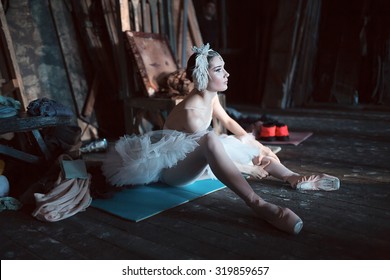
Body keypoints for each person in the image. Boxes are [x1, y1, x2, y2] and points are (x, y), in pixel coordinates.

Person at [102, 44, 340, 235]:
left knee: (239, 143)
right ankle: (258, 204)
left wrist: (259, 146)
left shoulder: (211, 97)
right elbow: (209, 155)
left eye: (224, 68)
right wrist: (246, 168)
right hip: (175, 170)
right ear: (203, 76)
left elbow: (229, 123)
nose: (227, 74)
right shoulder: (191, 112)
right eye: (219, 70)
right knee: (211, 140)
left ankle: (293, 177)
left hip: (201, 153)